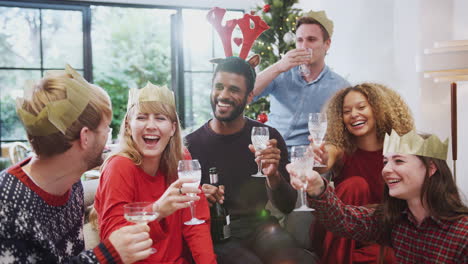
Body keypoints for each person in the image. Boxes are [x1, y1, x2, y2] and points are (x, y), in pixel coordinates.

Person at [0, 65, 152, 263]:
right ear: (85, 137)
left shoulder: (71, 182)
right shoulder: (8, 205)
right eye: (106, 128)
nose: (109, 136)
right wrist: (107, 255)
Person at [186, 56, 317, 264]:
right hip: (218, 233)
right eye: (219, 86)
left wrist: (273, 176)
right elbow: (183, 210)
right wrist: (201, 197)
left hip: (261, 227)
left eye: (234, 90)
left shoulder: (267, 137)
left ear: (249, 97)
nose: (223, 95)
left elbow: (287, 206)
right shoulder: (191, 145)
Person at [288, 130, 468, 263]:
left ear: (431, 168)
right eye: (385, 162)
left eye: (398, 161)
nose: (386, 170)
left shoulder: (462, 233)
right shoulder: (395, 219)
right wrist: (316, 186)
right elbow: (343, 219)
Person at [94, 82, 216, 264]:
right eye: (142, 117)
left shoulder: (181, 160)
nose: (151, 126)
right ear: (128, 126)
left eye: (160, 118)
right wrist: (157, 210)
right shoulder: (119, 166)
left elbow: (195, 223)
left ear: (173, 128)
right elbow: (113, 240)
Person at [310, 83, 414, 263]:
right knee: (355, 185)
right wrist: (321, 159)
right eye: (346, 111)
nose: (354, 115)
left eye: (361, 107)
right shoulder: (339, 149)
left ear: (378, 109)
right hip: (336, 231)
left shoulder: (399, 152)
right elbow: (325, 161)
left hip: (376, 233)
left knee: (388, 257)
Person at [252, 9, 350, 150]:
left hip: (306, 157)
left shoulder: (340, 87)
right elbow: (248, 93)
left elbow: (343, 134)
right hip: (271, 151)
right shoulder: (281, 72)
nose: (304, 46)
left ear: (327, 44)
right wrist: (278, 66)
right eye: (299, 40)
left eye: (311, 39)